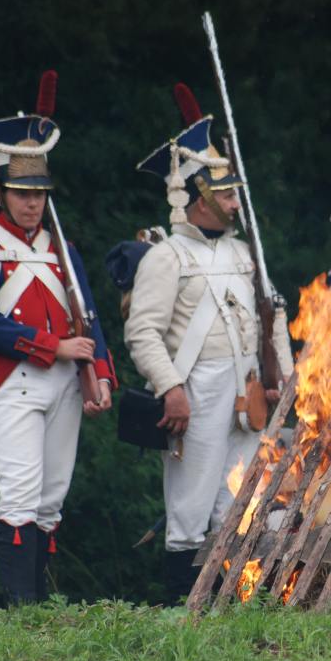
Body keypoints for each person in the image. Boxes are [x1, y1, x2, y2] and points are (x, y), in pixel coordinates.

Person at [0, 93, 117, 604]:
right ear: (0, 191)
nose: (32, 203)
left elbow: (89, 316)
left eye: (40, 194)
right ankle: (18, 610)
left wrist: (102, 373)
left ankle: (38, 612)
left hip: (66, 383)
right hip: (12, 381)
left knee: (50, 500)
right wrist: (54, 346)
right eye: (22, 193)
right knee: (20, 495)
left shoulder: (63, 249)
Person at [124, 84, 282, 603]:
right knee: (190, 507)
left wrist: (281, 377)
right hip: (195, 389)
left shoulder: (243, 252)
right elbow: (142, 332)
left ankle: (236, 608)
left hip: (246, 388)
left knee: (241, 501)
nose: (236, 202)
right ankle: (183, 610)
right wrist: (170, 388)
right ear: (199, 197)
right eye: (227, 194)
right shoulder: (166, 256)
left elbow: (273, 316)